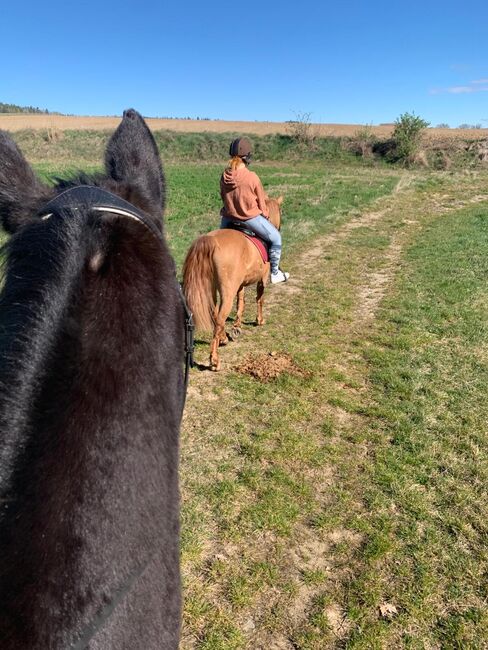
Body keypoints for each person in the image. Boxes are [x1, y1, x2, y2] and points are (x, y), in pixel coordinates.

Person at [220, 137, 290, 284]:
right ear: (247, 157)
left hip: (228, 219)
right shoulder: (252, 177)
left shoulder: (224, 176)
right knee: (276, 238)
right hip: (249, 219)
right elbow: (263, 208)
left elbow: (223, 197)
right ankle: (275, 273)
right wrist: (264, 214)